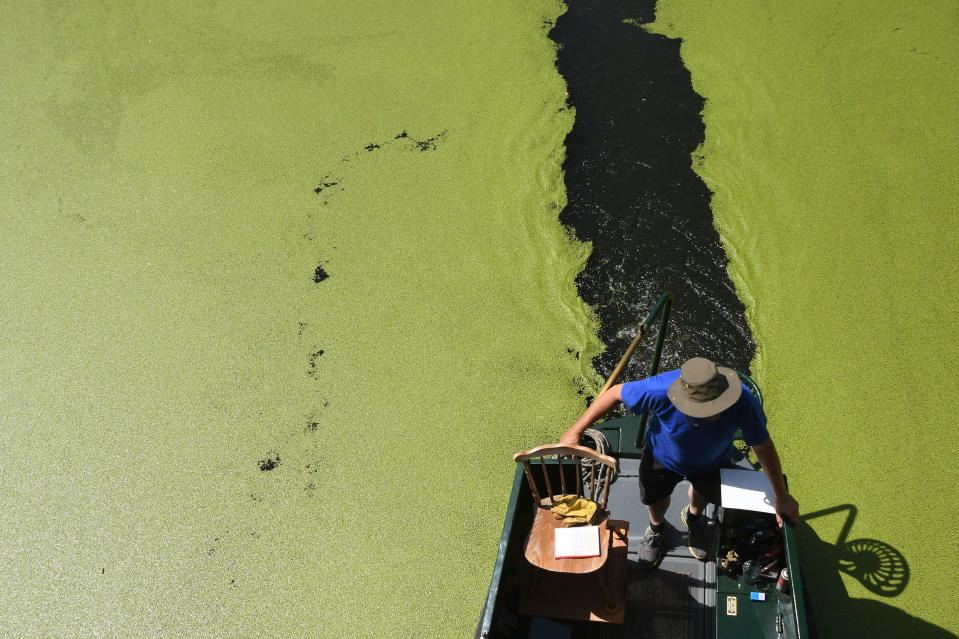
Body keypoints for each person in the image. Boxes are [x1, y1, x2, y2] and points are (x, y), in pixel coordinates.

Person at [560, 357, 799, 567]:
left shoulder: (745, 402)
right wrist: (575, 431)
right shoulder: (659, 389)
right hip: (662, 457)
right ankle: (656, 528)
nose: (715, 415)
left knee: (703, 493)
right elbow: (614, 393)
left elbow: (763, 446)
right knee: (654, 497)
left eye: (719, 406)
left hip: (712, 461)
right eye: (705, 410)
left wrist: (781, 495)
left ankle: (694, 518)